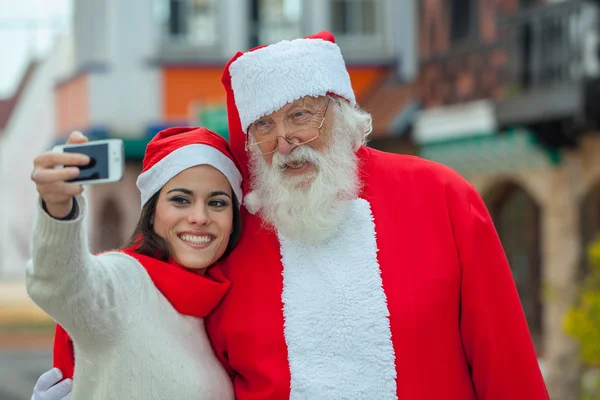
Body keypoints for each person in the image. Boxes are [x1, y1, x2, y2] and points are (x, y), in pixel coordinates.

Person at [35, 31, 549, 399]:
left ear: (343, 111)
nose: (285, 141)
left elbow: (504, 361)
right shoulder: (231, 233)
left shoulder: (442, 197)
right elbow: (131, 308)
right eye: (264, 125)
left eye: (301, 115)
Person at [27, 127, 241, 399]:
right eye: (180, 199)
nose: (200, 216)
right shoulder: (124, 281)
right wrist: (58, 208)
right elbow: (61, 282)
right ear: (151, 213)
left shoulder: (220, 306)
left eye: (218, 202)